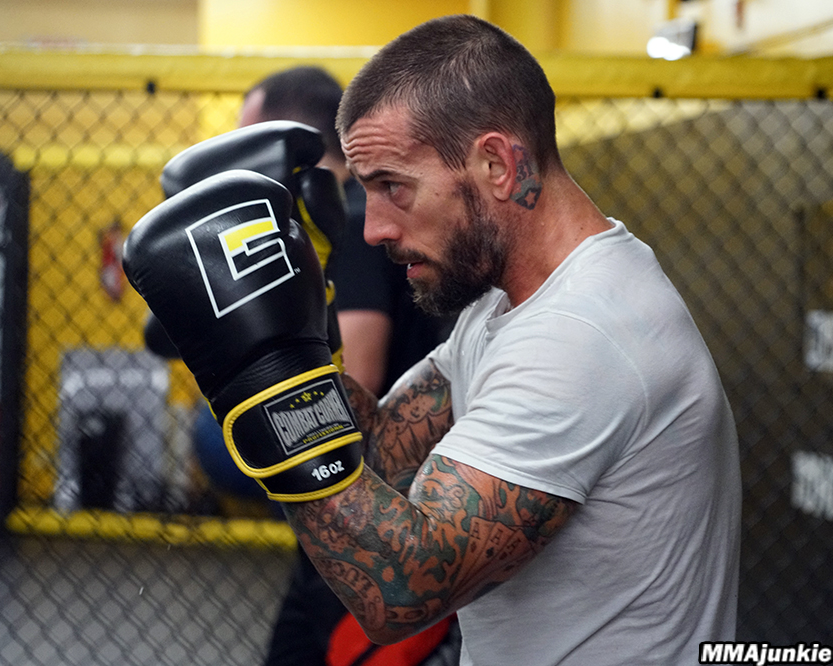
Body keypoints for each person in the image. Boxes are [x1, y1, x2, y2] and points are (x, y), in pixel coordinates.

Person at [123, 15, 741, 665]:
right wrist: (285, 332)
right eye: (368, 192)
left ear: (498, 165)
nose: (374, 229)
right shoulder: (510, 302)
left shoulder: (583, 337)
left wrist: (261, 381)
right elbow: (386, 451)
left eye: (395, 186)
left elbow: (405, 589)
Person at [237, 66, 459, 666]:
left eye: (242, 139)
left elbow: (357, 376)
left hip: (371, 506)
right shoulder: (324, 221)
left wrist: (249, 376)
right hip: (353, 505)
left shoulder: (351, 219)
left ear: (275, 140)